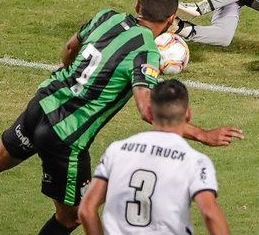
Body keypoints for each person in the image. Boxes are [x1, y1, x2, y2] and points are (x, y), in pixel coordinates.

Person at [0, 0, 244, 234]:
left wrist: (67, 78)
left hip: (41, 104)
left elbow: (69, 48)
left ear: (137, 6)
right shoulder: (145, 53)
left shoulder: (106, 16)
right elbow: (148, 110)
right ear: (172, 20)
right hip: (66, 137)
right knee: (72, 217)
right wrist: (202, 134)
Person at [78, 79, 230, 235]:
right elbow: (210, 214)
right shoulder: (194, 161)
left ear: (149, 112)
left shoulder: (117, 150)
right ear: (188, 115)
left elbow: (87, 209)